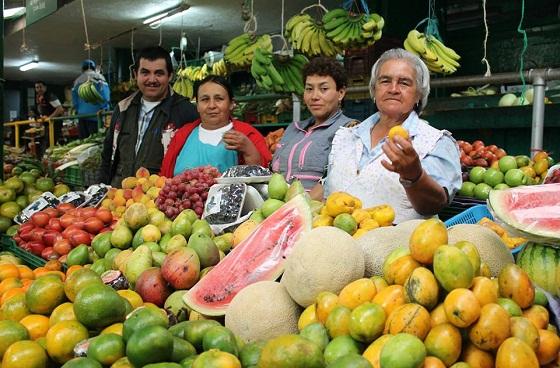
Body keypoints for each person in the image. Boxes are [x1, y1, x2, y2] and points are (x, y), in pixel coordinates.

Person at [322, 48, 462, 223]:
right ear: (374, 90)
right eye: (385, 81)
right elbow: (328, 195)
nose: (393, 89)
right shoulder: (346, 136)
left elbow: (435, 204)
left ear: (418, 93)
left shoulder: (436, 142)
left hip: (397, 247)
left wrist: (415, 176)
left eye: (404, 83)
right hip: (338, 245)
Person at [99, 46, 199, 187]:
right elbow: (107, 155)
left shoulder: (185, 111)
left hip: (159, 199)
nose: (152, 79)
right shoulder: (123, 109)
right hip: (119, 197)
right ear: (136, 74)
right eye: (145, 73)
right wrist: (100, 187)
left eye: (159, 73)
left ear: (170, 76)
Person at [271, 57, 357, 191]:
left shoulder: (349, 129)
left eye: (323, 89)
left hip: (318, 209)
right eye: (309, 89)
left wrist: (300, 208)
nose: (314, 96)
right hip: (279, 206)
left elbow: (339, 181)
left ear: (340, 93)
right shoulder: (293, 129)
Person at [160, 75, 271, 176]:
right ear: (197, 105)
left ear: (231, 104)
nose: (212, 105)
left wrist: (249, 149)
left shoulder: (247, 134)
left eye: (219, 99)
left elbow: (263, 176)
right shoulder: (182, 135)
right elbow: (165, 177)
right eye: (205, 99)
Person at [72, 59, 111, 138]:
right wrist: (105, 108)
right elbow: (105, 96)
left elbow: (75, 101)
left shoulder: (77, 81)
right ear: (93, 68)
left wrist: (77, 110)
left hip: (82, 116)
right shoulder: (100, 78)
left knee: (83, 142)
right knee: (95, 141)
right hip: (96, 116)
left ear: (82, 69)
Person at [31, 81, 65, 148]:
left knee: (50, 142)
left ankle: (49, 157)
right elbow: (41, 109)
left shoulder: (50, 95)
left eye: (40, 87)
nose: (39, 89)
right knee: (46, 141)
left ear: (45, 87)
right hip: (47, 123)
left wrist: (49, 118)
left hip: (54, 122)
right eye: (37, 87)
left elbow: (60, 109)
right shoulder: (39, 97)